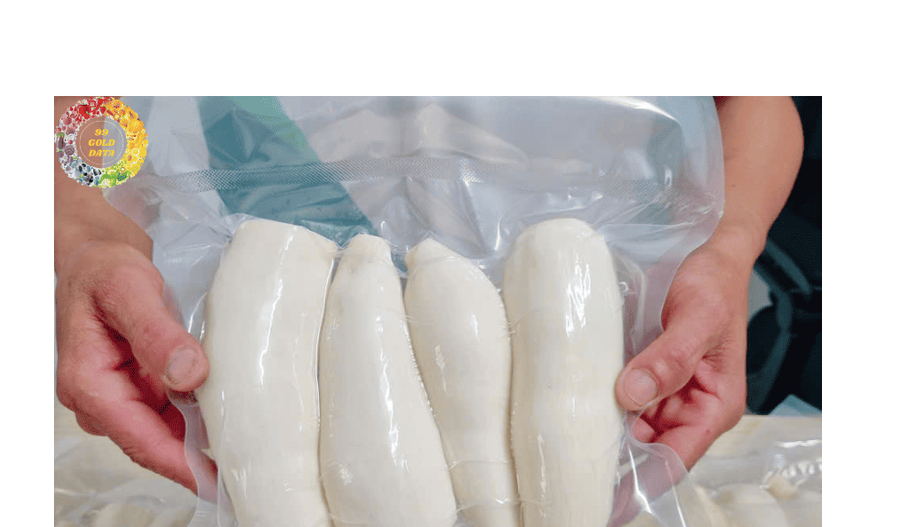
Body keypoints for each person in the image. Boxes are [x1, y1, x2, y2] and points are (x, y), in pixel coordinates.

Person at [54, 96, 803, 492]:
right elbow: (80, 101)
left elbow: (753, 97)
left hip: (603, 364)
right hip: (214, 366)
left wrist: (728, 245)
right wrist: (87, 234)